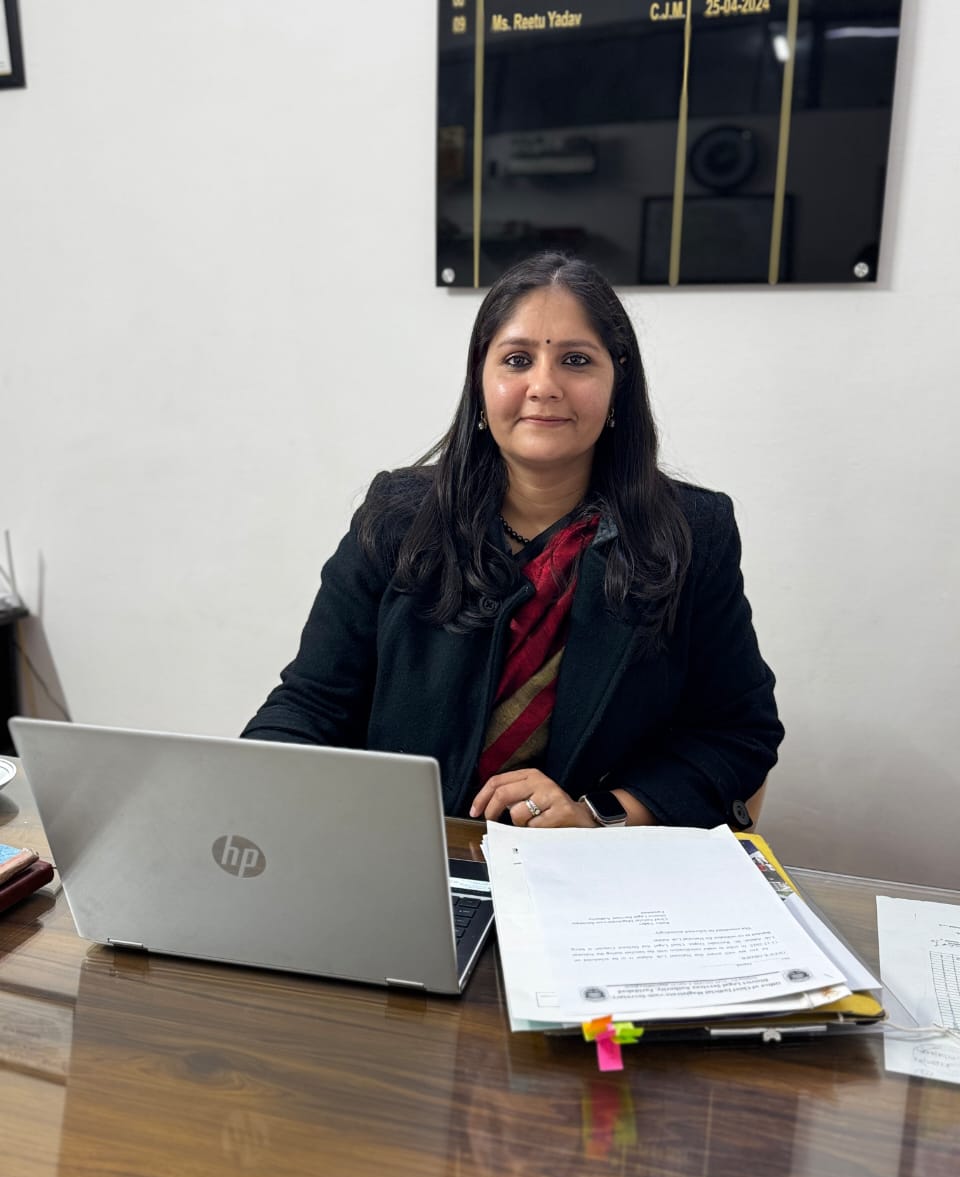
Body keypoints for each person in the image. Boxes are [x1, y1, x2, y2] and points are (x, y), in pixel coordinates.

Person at [243, 252, 783, 829]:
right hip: (410, 853)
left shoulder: (691, 533)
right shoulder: (398, 519)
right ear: (480, 380)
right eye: (517, 360)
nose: (544, 386)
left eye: (576, 360)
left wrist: (598, 815)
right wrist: (242, 800)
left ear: (618, 381)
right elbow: (312, 704)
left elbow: (736, 732)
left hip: (590, 864)